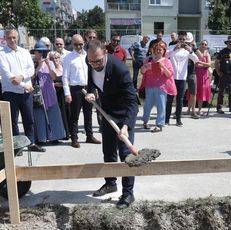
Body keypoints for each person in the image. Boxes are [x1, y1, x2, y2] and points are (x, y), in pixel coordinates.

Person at [84, 39, 139, 209]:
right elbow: (92, 82)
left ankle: (128, 193)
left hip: (123, 114)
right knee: (108, 151)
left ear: (106, 54)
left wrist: (125, 126)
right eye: (91, 61)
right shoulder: (91, 63)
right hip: (106, 113)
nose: (95, 65)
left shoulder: (120, 69)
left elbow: (132, 102)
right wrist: (92, 93)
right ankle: (110, 183)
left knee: (126, 155)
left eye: (98, 61)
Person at [0, 28, 45, 152]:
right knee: (13, 121)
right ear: (5, 38)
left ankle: (31, 142)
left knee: (29, 119)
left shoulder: (24, 52)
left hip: (26, 92)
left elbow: (31, 69)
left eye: (14, 37)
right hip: (11, 92)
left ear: (17, 37)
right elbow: (8, 76)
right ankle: (16, 147)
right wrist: (23, 84)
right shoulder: (1, 54)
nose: (12, 40)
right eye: (9, 38)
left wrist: (22, 77)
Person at [62, 34, 101, 148]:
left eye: (80, 44)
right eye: (76, 44)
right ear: (72, 44)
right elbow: (65, 77)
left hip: (88, 87)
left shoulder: (88, 55)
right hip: (76, 89)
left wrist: (95, 89)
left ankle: (90, 136)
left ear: (83, 43)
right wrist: (67, 93)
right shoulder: (68, 58)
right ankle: (74, 138)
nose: (78, 46)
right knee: (75, 115)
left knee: (88, 114)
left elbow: (93, 72)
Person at [31, 42, 67, 145]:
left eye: (44, 52)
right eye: (39, 52)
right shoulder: (33, 63)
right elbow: (32, 76)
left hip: (50, 91)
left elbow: (53, 77)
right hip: (38, 93)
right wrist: (39, 65)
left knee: (54, 114)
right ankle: (41, 138)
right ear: (36, 53)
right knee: (39, 116)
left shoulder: (50, 63)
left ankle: (55, 137)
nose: (42, 54)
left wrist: (48, 64)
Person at [140, 41, 175, 132]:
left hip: (161, 87)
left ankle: (159, 124)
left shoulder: (167, 61)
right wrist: (146, 67)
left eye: (161, 49)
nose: (159, 51)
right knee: (147, 105)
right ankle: (145, 121)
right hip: (149, 86)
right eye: (157, 49)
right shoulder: (148, 59)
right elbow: (142, 72)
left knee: (161, 106)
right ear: (154, 50)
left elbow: (169, 74)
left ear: (164, 51)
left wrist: (163, 66)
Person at [166, 31, 198, 126]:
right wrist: (174, 49)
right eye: (180, 39)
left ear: (186, 40)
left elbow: (196, 60)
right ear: (177, 39)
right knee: (170, 99)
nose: (182, 41)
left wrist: (191, 51)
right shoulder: (172, 48)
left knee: (180, 100)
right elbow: (165, 56)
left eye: (184, 39)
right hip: (172, 77)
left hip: (182, 78)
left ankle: (178, 119)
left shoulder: (188, 50)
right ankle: (166, 119)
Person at [215, 36, 231, 114]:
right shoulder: (223, 51)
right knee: (221, 91)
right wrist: (218, 72)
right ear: (227, 43)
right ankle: (219, 107)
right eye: (229, 42)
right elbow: (216, 62)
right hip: (224, 74)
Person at [50, 51, 70, 140]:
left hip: (65, 93)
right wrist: (54, 84)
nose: (55, 59)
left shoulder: (64, 68)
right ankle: (60, 133)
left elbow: (69, 79)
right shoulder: (50, 69)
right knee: (59, 114)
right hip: (55, 94)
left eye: (57, 57)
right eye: (53, 58)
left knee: (68, 113)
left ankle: (68, 132)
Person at [194, 40, 212, 116]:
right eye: (202, 44)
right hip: (196, 74)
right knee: (194, 91)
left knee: (202, 92)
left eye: (205, 44)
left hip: (204, 75)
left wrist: (201, 63)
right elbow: (195, 64)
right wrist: (204, 65)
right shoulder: (196, 53)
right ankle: (191, 109)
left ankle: (199, 109)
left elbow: (209, 64)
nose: (203, 45)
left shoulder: (207, 54)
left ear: (207, 46)